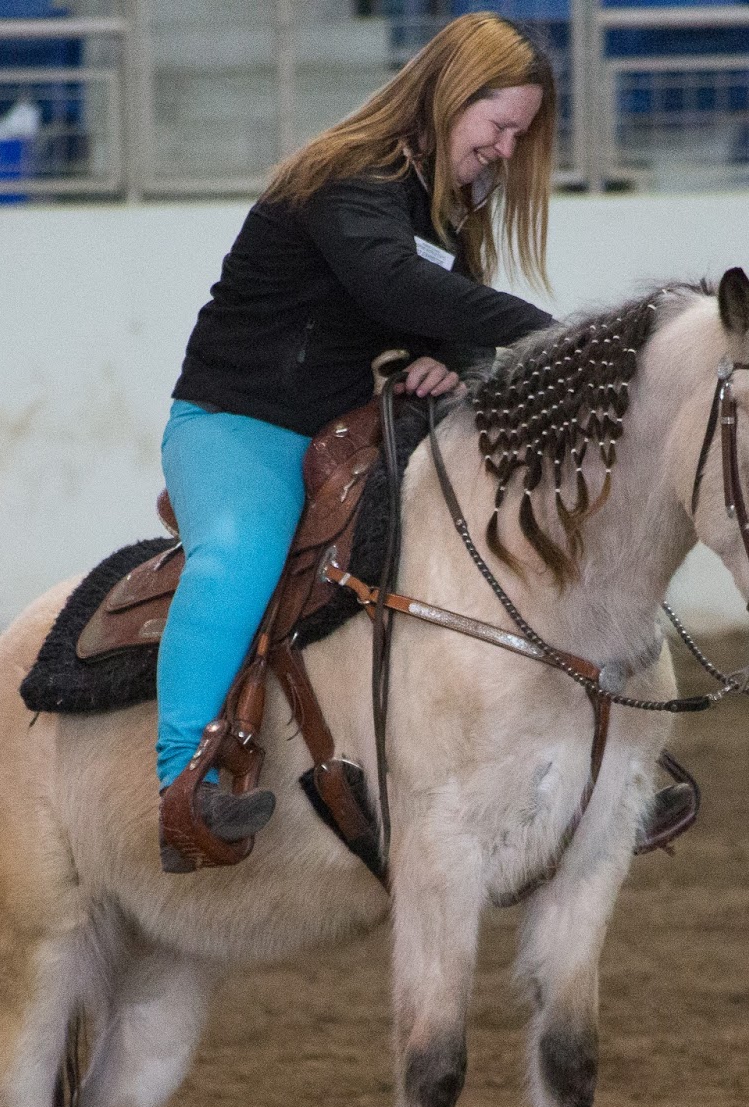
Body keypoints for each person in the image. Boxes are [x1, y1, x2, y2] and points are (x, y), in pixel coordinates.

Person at [158, 11, 558, 871]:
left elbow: (448, 308)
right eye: (499, 127)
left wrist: (453, 359)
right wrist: (550, 334)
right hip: (241, 426)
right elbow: (391, 280)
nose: (505, 149)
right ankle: (185, 788)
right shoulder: (346, 178)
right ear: (453, 98)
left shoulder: (442, 204)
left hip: (354, 436)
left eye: (519, 135)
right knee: (236, 555)